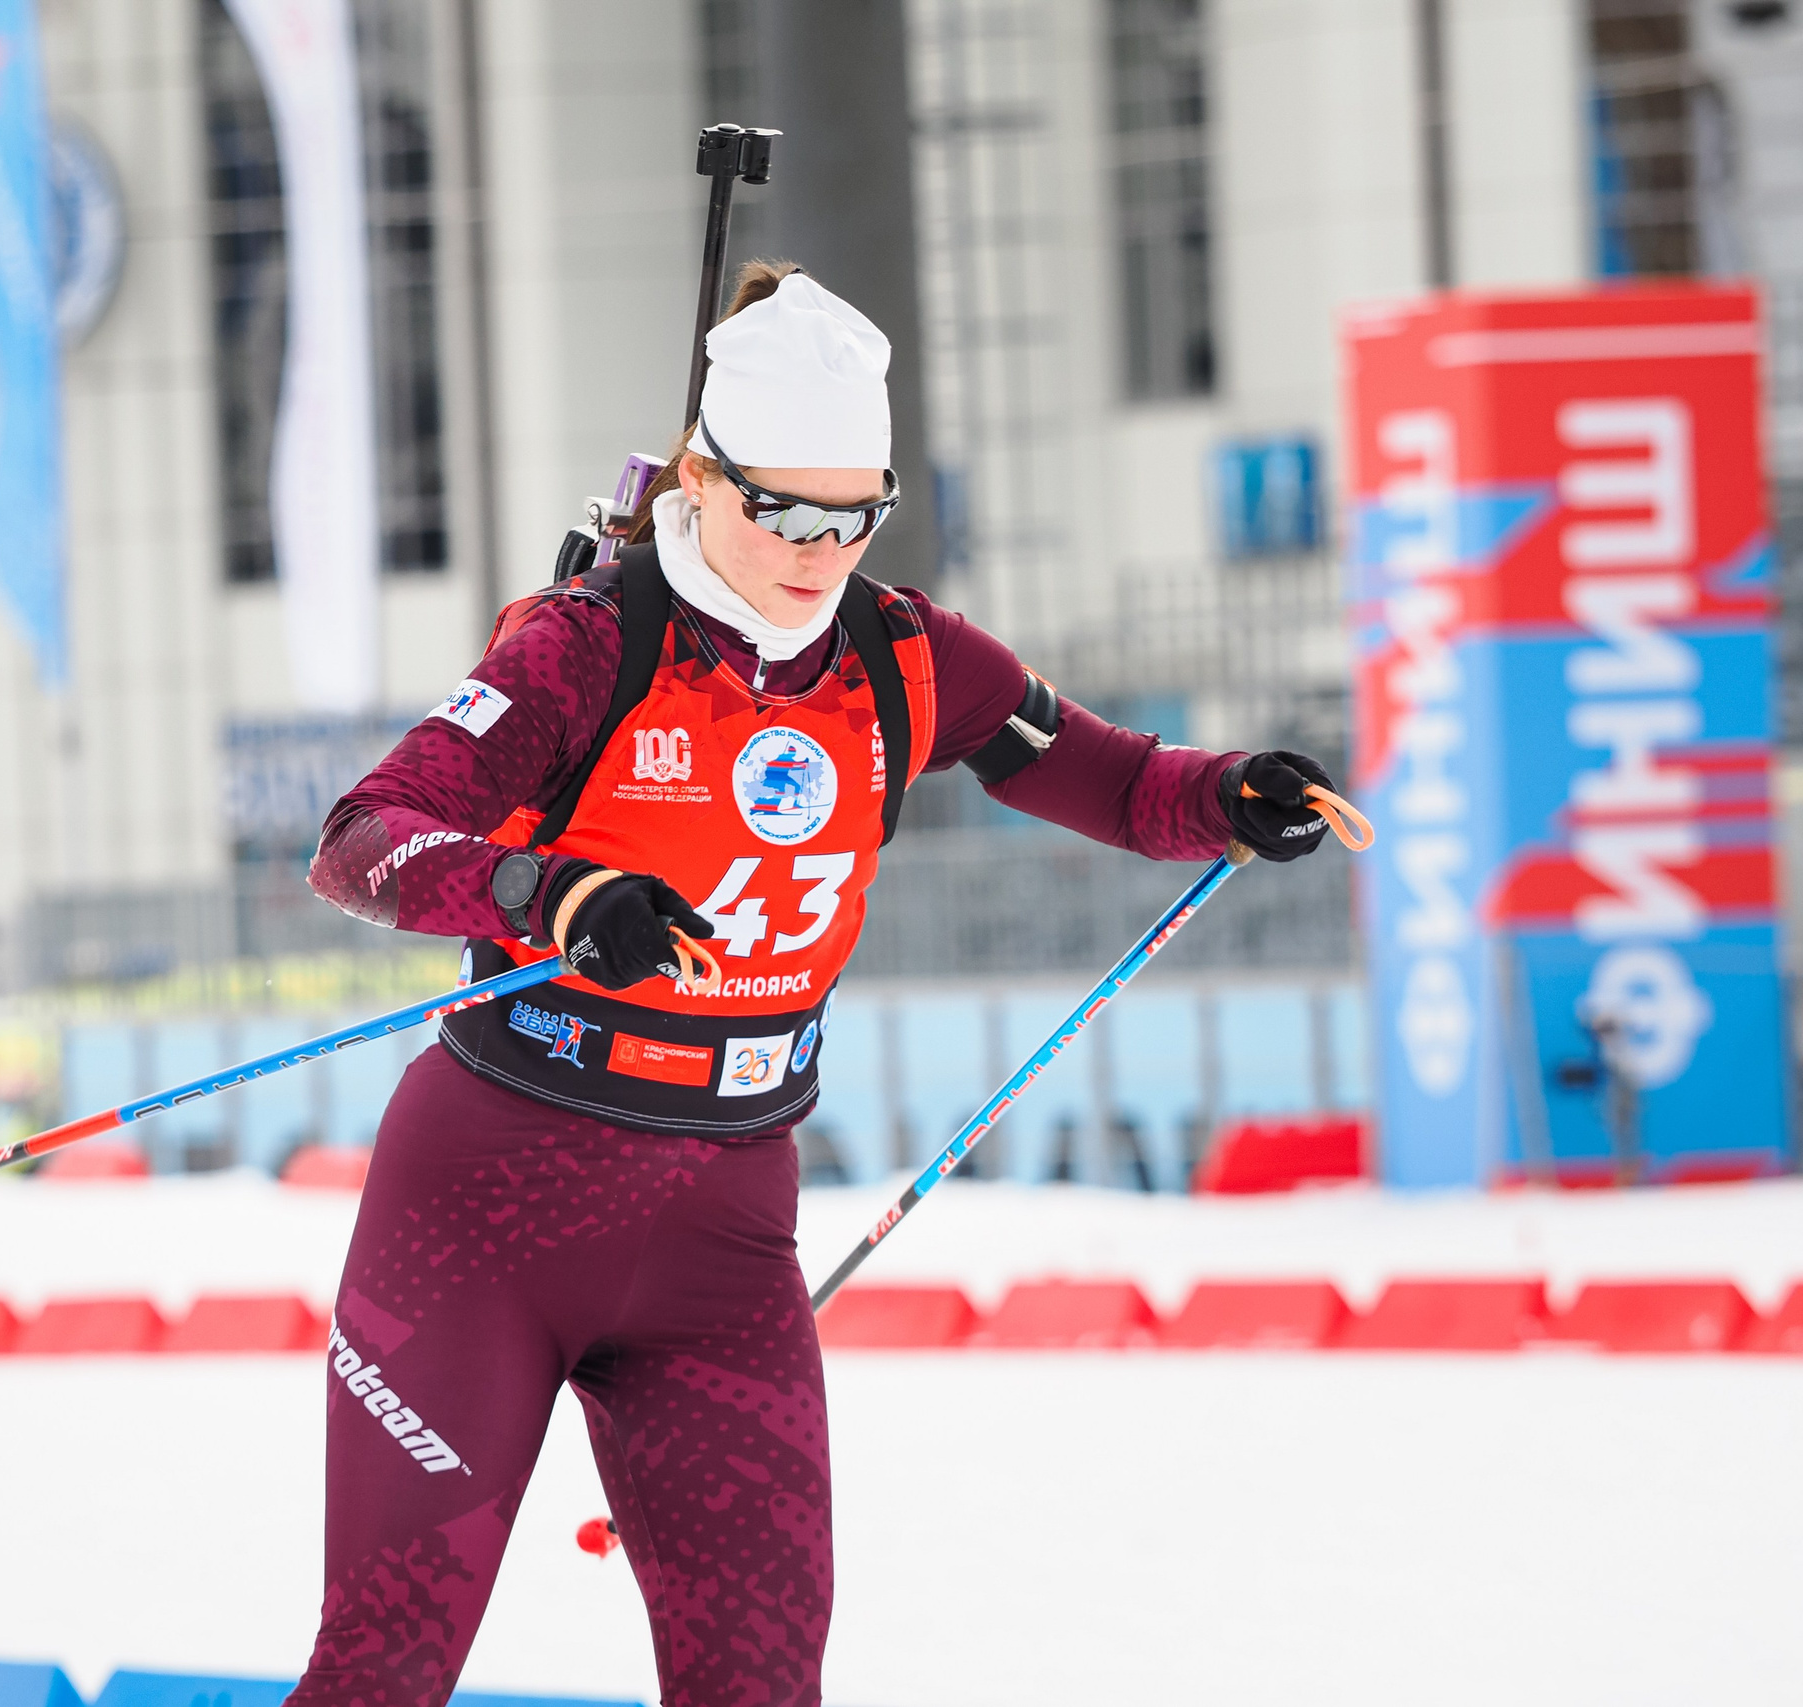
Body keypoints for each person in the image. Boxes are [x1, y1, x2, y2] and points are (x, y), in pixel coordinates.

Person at [289, 263, 1334, 1706]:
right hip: (489, 1209)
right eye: (782, 507)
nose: (813, 549)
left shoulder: (902, 659)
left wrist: (1227, 793)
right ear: (703, 475)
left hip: (722, 1236)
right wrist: (553, 892)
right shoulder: (591, 644)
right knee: (384, 1672)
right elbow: (361, 843)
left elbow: (1108, 773)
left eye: (853, 515)